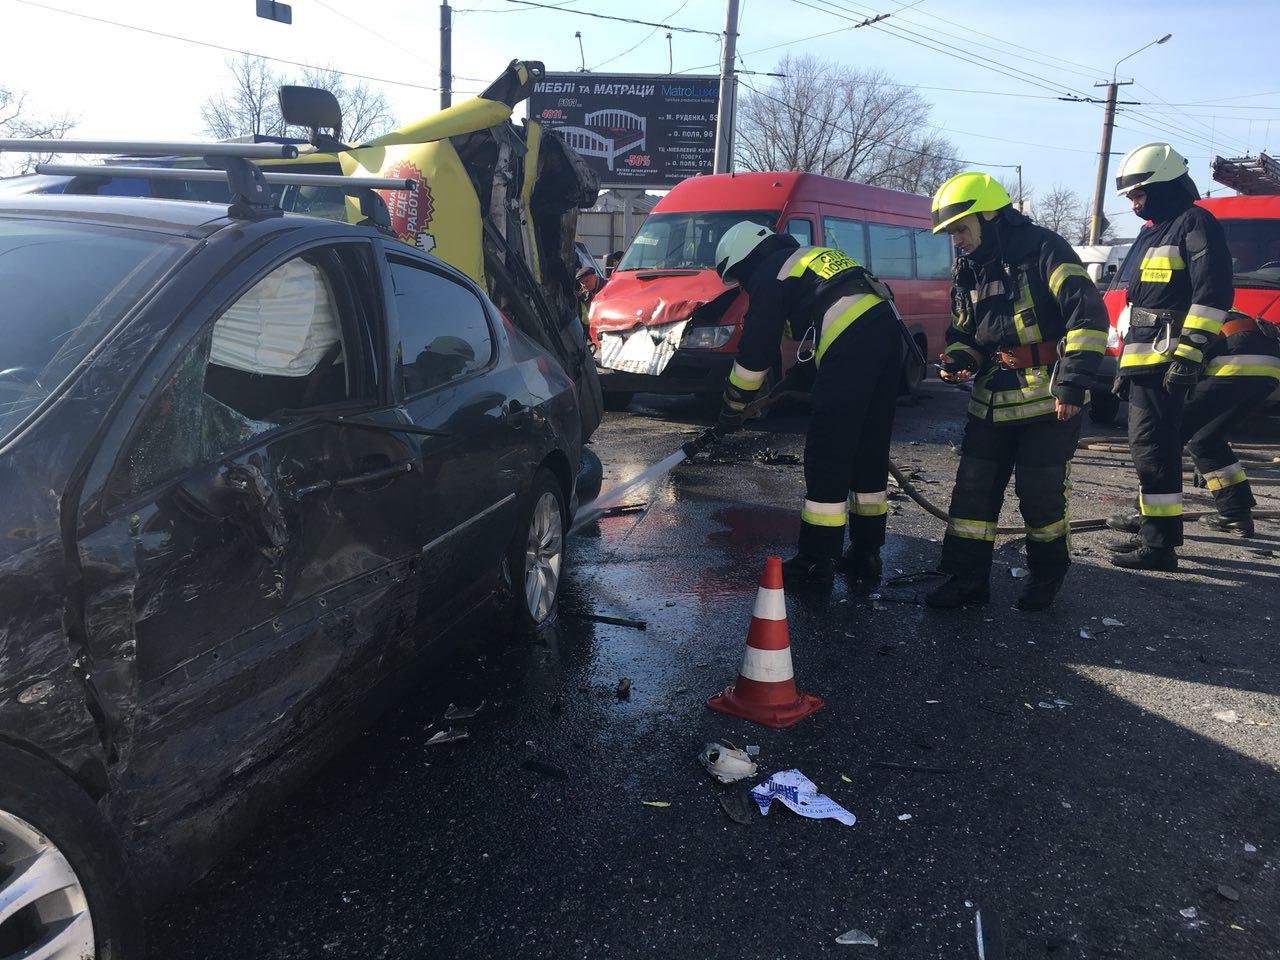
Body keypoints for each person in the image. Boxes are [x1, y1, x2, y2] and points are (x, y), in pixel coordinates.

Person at [923, 172, 1109, 612]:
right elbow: (963, 331)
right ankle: (967, 581)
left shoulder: (1045, 248)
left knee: (1040, 494)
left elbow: (1088, 316)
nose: (957, 241)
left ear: (989, 216)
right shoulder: (968, 268)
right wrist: (959, 359)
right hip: (990, 401)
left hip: (1048, 401)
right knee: (972, 493)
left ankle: (1047, 575)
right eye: (951, 234)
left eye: (960, 229)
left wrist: (1073, 382)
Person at [713, 221, 904, 588]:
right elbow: (830, 319)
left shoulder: (771, 272)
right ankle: (867, 553)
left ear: (746, 261)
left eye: (739, 278)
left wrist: (732, 407)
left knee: (827, 454)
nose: (745, 286)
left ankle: (816, 560)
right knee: (869, 450)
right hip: (887, 334)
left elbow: (755, 354)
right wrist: (800, 377)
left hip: (855, 343)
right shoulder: (807, 258)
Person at [1109, 142, 1234, 571]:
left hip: (1168, 360)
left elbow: (1212, 294)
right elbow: (1141, 303)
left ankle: (1159, 546)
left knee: (1155, 448)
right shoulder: (1155, 229)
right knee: (1148, 448)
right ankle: (1151, 527)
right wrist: (1126, 364)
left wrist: (1190, 355)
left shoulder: (1195, 223)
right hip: (1144, 360)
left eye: (1139, 194)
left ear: (1164, 186)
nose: (1134, 204)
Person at [1108, 308, 1280, 540]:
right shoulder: (1191, 312)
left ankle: (1148, 516)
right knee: (1206, 440)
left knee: (1164, 439)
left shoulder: (1163, 327)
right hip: (1268, 369)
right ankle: (1235, 514)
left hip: (1232, 364)